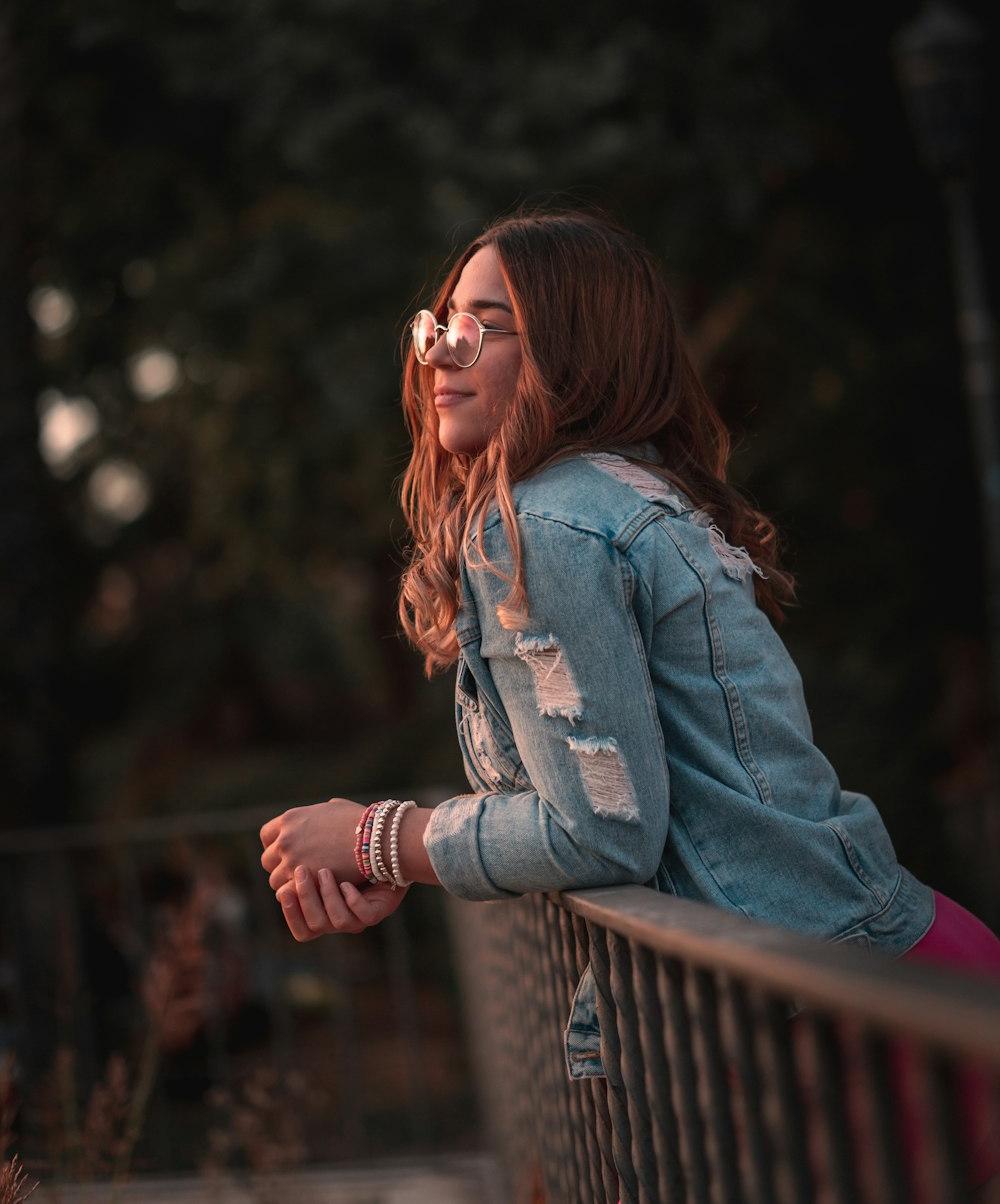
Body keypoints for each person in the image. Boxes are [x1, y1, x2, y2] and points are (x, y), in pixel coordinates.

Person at [260, 209, 1000, 1187]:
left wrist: (375, 839)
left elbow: (601, 832)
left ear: (578, 349)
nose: (440, 352)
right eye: (434, 324)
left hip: (830, 1029)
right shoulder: (625, 495)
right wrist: (421, 858)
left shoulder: (542, 531)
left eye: (483, 322)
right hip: (874, 973)